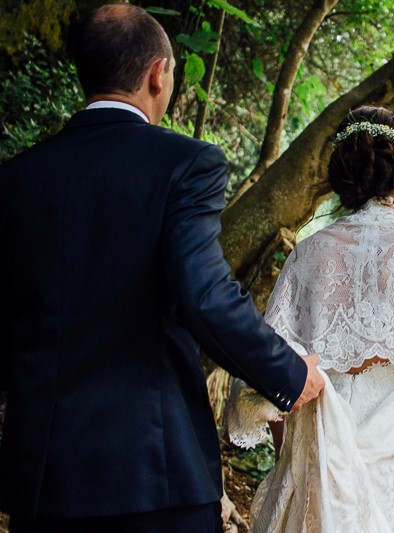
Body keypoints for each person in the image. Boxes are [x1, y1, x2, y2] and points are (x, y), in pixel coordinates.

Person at [0, 5, 324, 532]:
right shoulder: (185, 163)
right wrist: (289, 373)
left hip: (44, 477)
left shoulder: (17, 178)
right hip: (155, 472)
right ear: (158, 73)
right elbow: (206, 295)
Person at [226, 106, 394, 532]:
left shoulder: (307, 256)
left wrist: (293, 459)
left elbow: (277, 375)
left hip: (326, 481)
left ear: (343, 177)